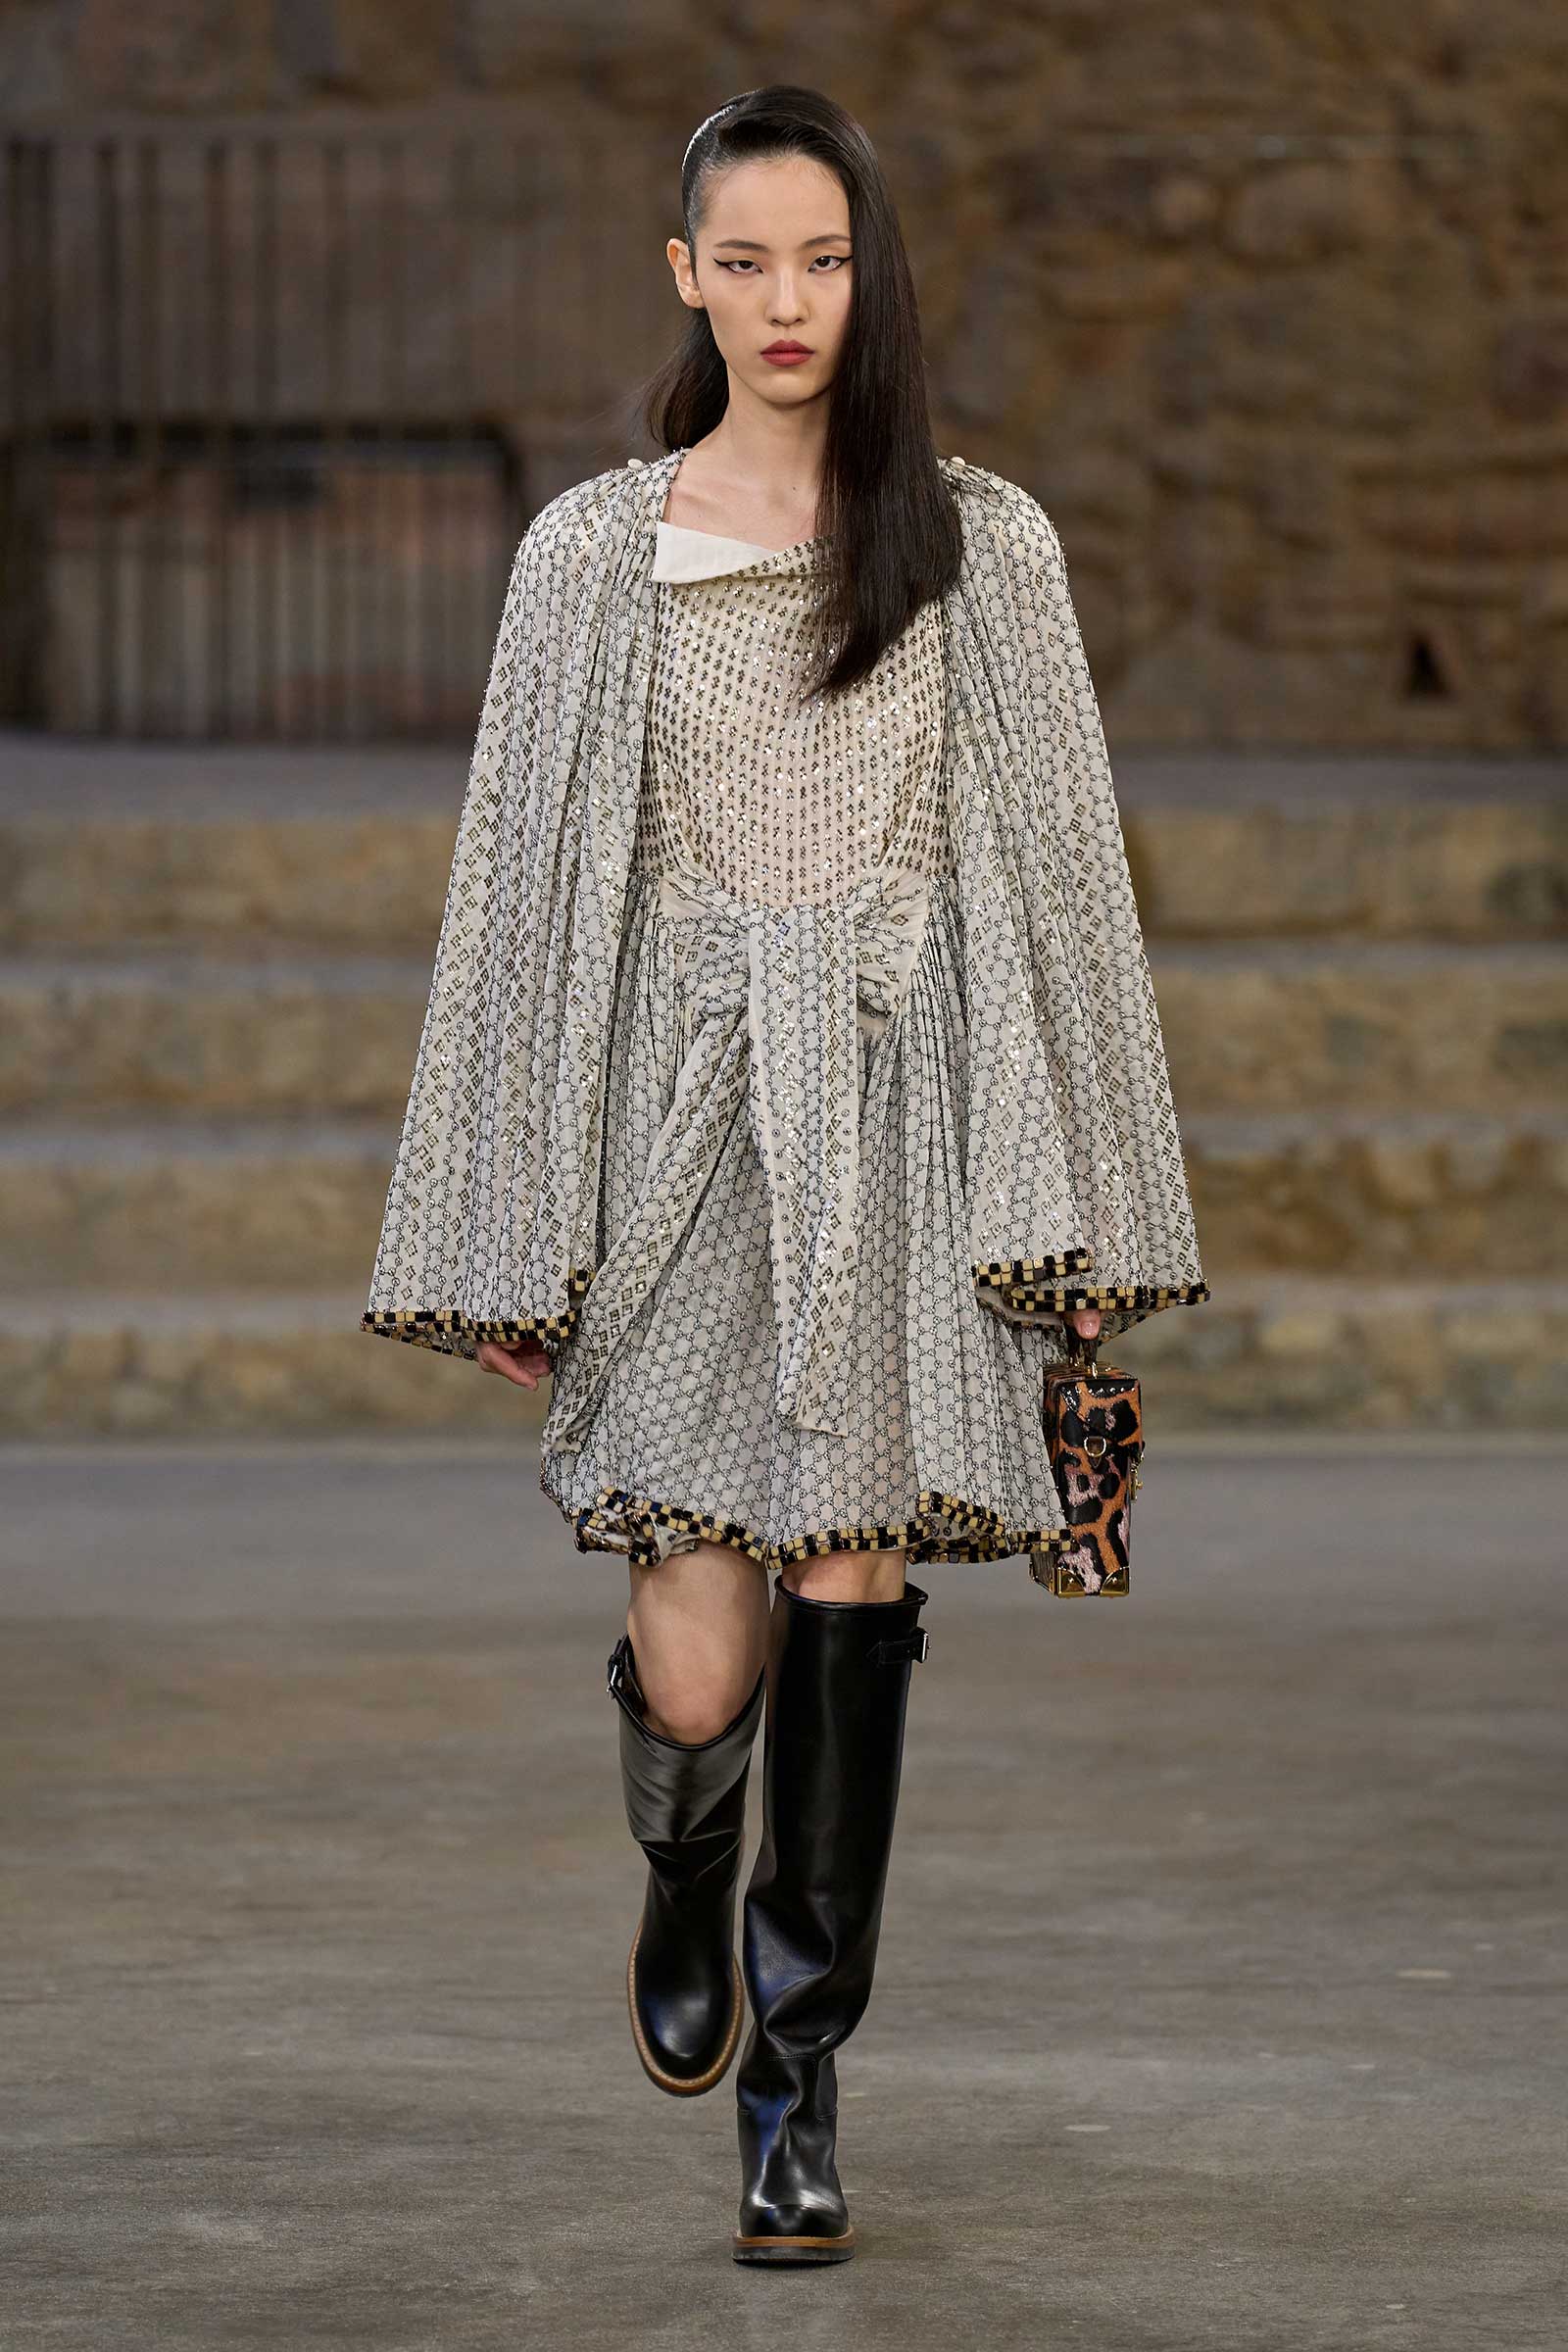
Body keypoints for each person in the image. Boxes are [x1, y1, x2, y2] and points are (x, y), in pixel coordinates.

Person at [362, 84, 1208, 2265]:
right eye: (742, 261)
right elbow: (524, 894)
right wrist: (503, 1222)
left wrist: (1084, 1207)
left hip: (902, 1112)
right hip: (677, 1112)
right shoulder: (593, 558)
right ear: (685, 279)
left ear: (868, 269)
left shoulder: (976, 544)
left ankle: (796, 2081)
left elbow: (1053, 879)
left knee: (852, 1572)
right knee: (696, 1655)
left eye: (821, 258)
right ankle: (684, 1864)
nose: (785, 300)